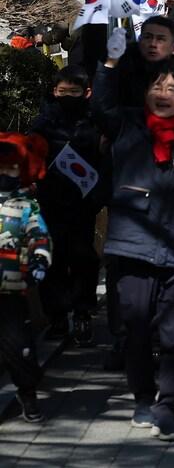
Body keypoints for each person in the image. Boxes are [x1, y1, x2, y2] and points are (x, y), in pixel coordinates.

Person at [92, 30, 174, 442]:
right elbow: (101, 106)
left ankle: (170, 404)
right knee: (137, 326)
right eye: (157, 86)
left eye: (173, 88)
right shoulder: (128, 124)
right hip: (132, 243)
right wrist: (109, 65)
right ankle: (143, 396)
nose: (164, 93)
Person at [29, 66, 103, 345]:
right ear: (53, 92)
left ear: (87, 93)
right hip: (51, 199)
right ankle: (57, 316)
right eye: (62, 92)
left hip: (84, 200)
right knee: (53, 258)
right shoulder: (43, 123)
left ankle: (83, 311)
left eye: (74, 92)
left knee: (83, 257)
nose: (67, 97)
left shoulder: (95, 122)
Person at [0, 133, 52, 424]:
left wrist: (40, 260)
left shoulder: (25, 207)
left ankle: (27, 390)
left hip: (13, 287)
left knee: (18, 343)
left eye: (11, 169)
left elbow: (39, 236)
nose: (5, 175)